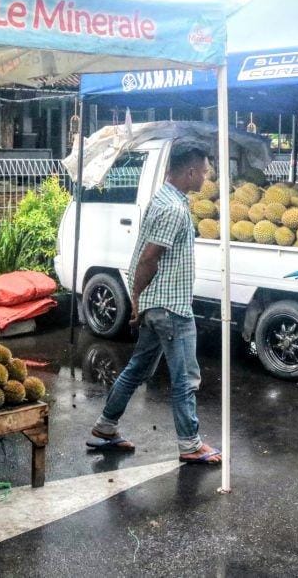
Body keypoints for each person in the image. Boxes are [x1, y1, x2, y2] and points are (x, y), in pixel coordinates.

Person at [87, 139, 221, 465]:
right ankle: (190, 444)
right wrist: (135, 298)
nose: (206, 178)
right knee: (185, 378)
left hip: (156, 304)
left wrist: (140, 301)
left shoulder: (163, 198)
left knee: (136, 369)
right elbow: (148, 258)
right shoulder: (173, 209)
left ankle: (106, 427)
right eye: (203, 172)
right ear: (189, 172)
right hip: (170, 308)